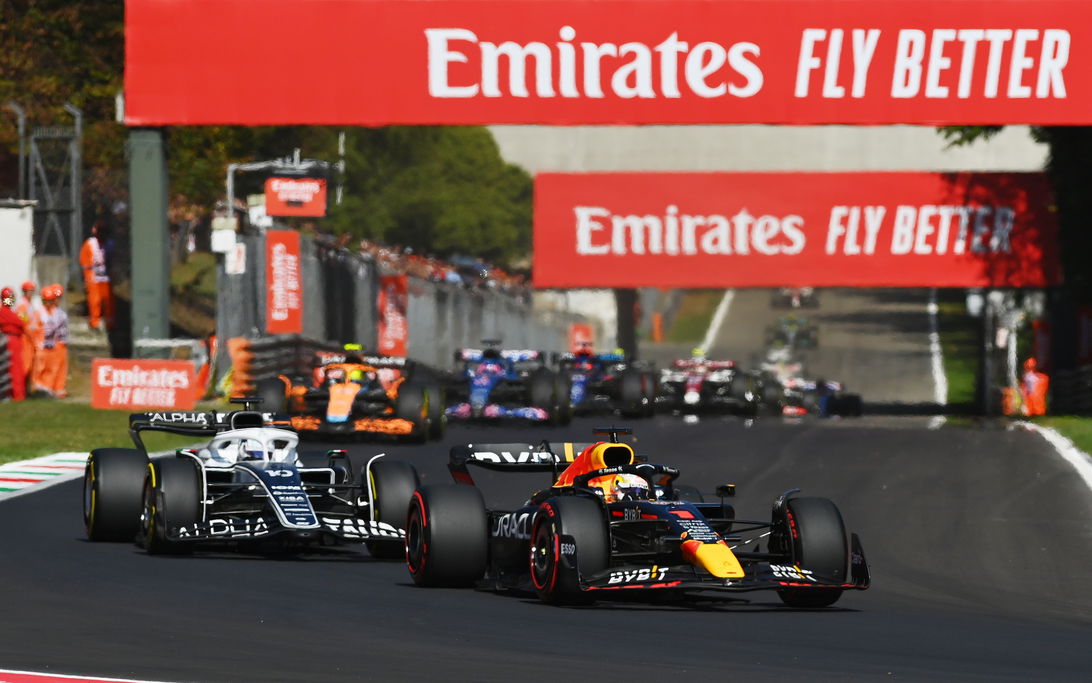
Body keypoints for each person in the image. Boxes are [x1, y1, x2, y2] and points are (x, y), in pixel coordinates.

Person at [33, 284, 69, 398]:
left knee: (53, 369)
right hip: (42, 346)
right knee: (40, 368)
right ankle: (39, 388)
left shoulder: (59, 313)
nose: (50, 303)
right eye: (47, 300)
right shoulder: (39, 312)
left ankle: (51, 389)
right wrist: (37, 343)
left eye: (52, 300)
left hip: (54, 344)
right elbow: (34, 328)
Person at [79, 222, 115, 331]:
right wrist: (88, 277)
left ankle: (110, 323)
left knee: (109, 301)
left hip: (107, 277)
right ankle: (94, 322)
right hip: (94, 277)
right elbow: (84, 262)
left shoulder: (110, 244)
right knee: (94, 300)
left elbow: (114, 261)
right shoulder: (90, 243)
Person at [0, 287, 27, 401]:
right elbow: (21, 322)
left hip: (13, 339)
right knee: (14, 369)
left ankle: (14, 394)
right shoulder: (4, 312)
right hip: (10, 340)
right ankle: (17, 395)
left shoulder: (12, 312)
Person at [15, 281, 41, 383]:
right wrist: (32, 336)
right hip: (25, 338)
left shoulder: (29, 304)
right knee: (25, 364)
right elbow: (24, 323)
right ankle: (19, 388)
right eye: (28, 291)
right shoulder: (22, 305)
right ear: (24, 292)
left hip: (31, 338)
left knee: (30, 364)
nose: (30, 293)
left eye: (31, 291)